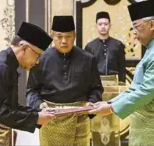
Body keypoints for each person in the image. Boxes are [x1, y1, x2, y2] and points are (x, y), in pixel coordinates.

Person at [89, 0, 154, 146]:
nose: (135, 34)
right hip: (147, 124)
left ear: (151, 25)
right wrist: (109, 102)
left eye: (137, 27)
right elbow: (137, 89)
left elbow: (145, 91)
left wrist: (111, 107)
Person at [26, 16, 103, 146]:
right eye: (59, 36)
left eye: (68, 36)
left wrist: (91, 103)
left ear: (74, 36)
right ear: (52, 36)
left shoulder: (88, 59)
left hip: (79, 120)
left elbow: (96, 88)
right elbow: (31, 90)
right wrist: (40, 106)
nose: (63, 41)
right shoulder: (41, 59)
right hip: (51, 120)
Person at [85, 11, 126, 84]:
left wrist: (121, 82)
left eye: (106, 24)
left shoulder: (118, 45)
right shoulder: (90, 46)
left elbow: (122, 67)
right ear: (96, 26)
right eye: (100, 24)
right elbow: (87, 69)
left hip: (114, 82)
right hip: (96, 82)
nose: (103, 26)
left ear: (110, 26)